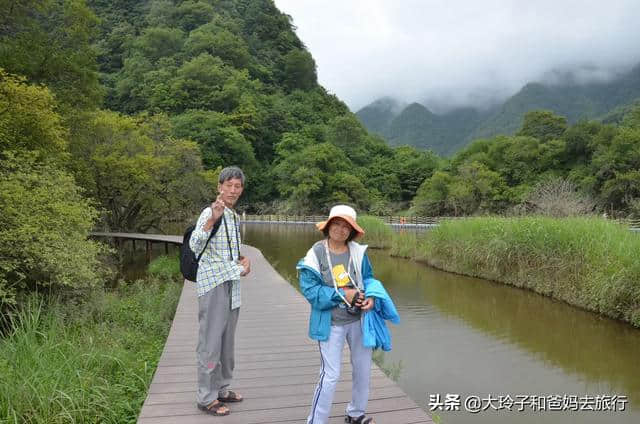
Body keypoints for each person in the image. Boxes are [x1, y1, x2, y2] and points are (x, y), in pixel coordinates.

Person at [297, 205, 380, 424]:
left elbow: (369, 279)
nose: (341, 230)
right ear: (328, 225)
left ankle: (356, 414)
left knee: (363, 370)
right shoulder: (316, 253)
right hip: (330, 322)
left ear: (351, 231)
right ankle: (316, 421)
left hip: (358, 321)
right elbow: (310, 290)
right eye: (337, 224)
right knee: (330, 375)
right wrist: (344, 294)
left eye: (346, 226)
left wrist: (370, 298)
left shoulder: (358, 252)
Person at [189, 166, 250, 416]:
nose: (232, 190)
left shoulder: (234, 216)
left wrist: (244, 261)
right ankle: (206, 397)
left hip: (232, 283)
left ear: (241, 190)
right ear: (219, 187)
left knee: (227, 342)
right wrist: (212, 219)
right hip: (213, 284)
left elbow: (231, 253)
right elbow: (195, 245)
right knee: (210, 342)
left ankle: (222, 388)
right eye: (228, 185)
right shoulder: (209, 212)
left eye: (237, 186)